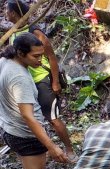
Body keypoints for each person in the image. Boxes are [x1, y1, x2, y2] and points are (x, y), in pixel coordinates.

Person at [0, 33, 70, 169]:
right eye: (36, 56)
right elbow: (28, 116)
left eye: (42, 55)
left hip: (10, 130)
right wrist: (51, 145)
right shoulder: (20, 77)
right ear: (21, 53)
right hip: (26, 135)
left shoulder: (5, 60)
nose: (41, 60)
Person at [5, 0, 74, 155]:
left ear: (14, 13)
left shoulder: (34, 31)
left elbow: (51, 57)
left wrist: (55, 82)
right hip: (25, 82)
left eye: (6, 10)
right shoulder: (13, 33)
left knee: (53, 119)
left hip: (41, 80)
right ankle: (45, 147)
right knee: (33, 118)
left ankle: (69, 149)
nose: (5, 13)